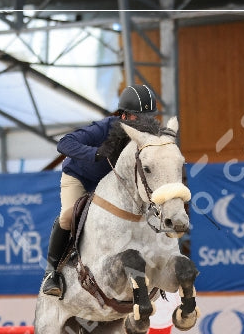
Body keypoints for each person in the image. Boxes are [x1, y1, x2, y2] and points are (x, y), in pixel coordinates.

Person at [41, 84, 158, 298]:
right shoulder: (104, 128)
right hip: (81, 178)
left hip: (113, 185)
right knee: (68, 216)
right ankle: (52, 273)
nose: (143, 123)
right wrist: (95, 153)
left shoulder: (148, 138)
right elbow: (64, 143)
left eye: (147, 118)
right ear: (123, 115)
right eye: (138, 118)